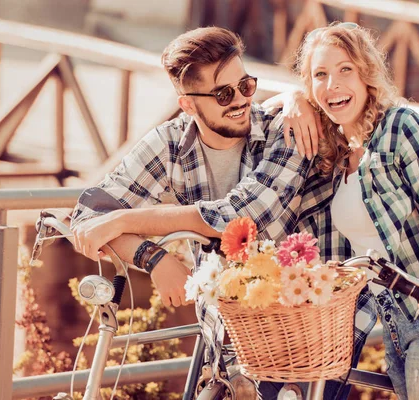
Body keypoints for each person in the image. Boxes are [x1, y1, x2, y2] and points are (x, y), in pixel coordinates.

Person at [71, 26, 317, 398]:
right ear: (188, 104)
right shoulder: (170, 143)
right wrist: (152, 257)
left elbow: (240, 216)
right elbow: (88, 215)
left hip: (292, 346)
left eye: (246, 86)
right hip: (221, 350)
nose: (240, 101)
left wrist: (122, 220)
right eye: (223, 94)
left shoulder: (285, 134)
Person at [287, 22, 419, 399]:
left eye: (345, 70)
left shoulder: (401, 126)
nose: (332, 84)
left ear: (367, 74)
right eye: (320, 75)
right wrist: (293, 100)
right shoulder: (337, 153)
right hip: (397, 329)